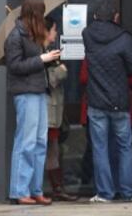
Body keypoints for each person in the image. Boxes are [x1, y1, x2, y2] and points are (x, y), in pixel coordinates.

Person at [82, 0, 132, 203]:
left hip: (96, 101)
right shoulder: (124, 38)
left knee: (100, 147)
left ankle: (105, 193)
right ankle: (127, 192)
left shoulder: (87, 35)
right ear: (115, 16)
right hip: (120, 101)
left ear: (96, 16)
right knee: (125, 146)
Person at [5, 0, 60, 206]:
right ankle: (19, 191)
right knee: (26, 142)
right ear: (34, 13)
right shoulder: (15, 37)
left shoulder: (32, 36)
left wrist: (47, 59)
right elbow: (15, 67)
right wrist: (41, 60)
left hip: (38, 91)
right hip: (25, 93)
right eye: (41, 12)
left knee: (39, 143)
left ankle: (35, 189)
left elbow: (31, 65)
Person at [42, 18, 75, 202]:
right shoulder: (41, 54)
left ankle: (57, 187)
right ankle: (57, 188)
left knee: (53, 149)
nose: (56, 33)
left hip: (55, 110)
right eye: (54, 30)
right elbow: (50, 79)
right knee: (51, 150)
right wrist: (62, 69)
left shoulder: (49, 53)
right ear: (46, 31)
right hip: (48, 111)